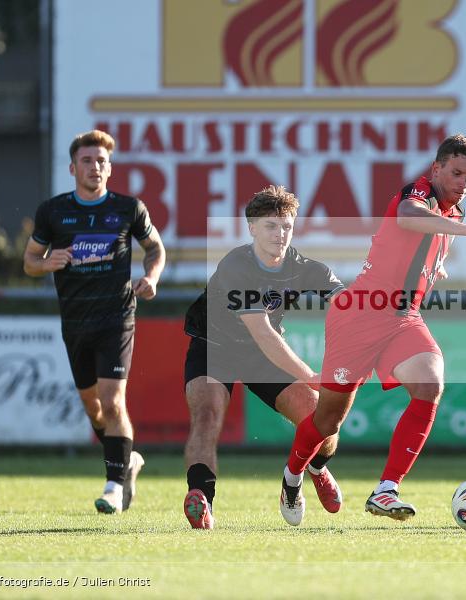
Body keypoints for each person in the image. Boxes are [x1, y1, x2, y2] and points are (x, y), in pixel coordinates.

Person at [276, 133, 466, 526]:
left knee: (430, 385)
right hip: (360, 315)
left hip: (403, 318)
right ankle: (294, 475)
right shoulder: (419, 193)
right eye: (457, 173)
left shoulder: (452, 214)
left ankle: (386, 489)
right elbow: (406, 215)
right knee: (328, 421)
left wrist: (435, 267)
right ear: (436, 169)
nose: (464, 182)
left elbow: (415, 250)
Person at [182, 185, 345, 530]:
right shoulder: (235, 266)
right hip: (214, 348)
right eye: (271, 226)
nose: (280, 234)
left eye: (286, 226)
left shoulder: (303, 267)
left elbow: (349, 305)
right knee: (207, 414)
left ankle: (316, 468)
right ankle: (201, 499)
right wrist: (310, 375)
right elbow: (264, 334)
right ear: (252, 228)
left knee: (323, 418)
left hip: (260, 358)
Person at [23, 129, 165, 514]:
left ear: (110, 168)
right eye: (86, 160)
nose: (94, 167)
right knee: (94, 409)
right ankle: (127, 460)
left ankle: (113, 486)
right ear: (73, 168)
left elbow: (155, 248)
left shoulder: (128, 208)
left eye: (101, 161)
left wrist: (151, 277)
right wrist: (45, 263)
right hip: (75, 323)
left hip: (117, 318)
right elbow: (29, 260)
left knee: (113, 401)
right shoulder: (53, 212)